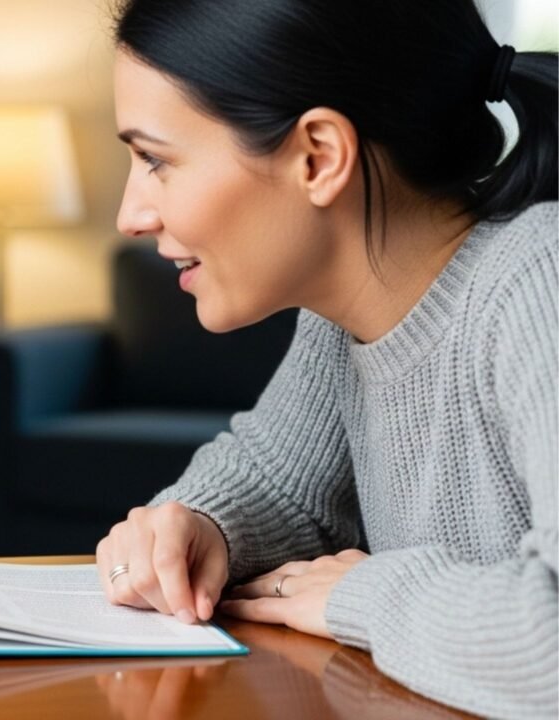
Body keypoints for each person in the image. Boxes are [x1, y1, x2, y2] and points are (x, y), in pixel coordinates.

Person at [95, 0, 557, 716]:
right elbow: (276, 482)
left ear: (319, 156)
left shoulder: (541, 279)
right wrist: (198, 524)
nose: (131, 215)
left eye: (156, 160)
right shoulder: (341, 318)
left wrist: (360, 595)